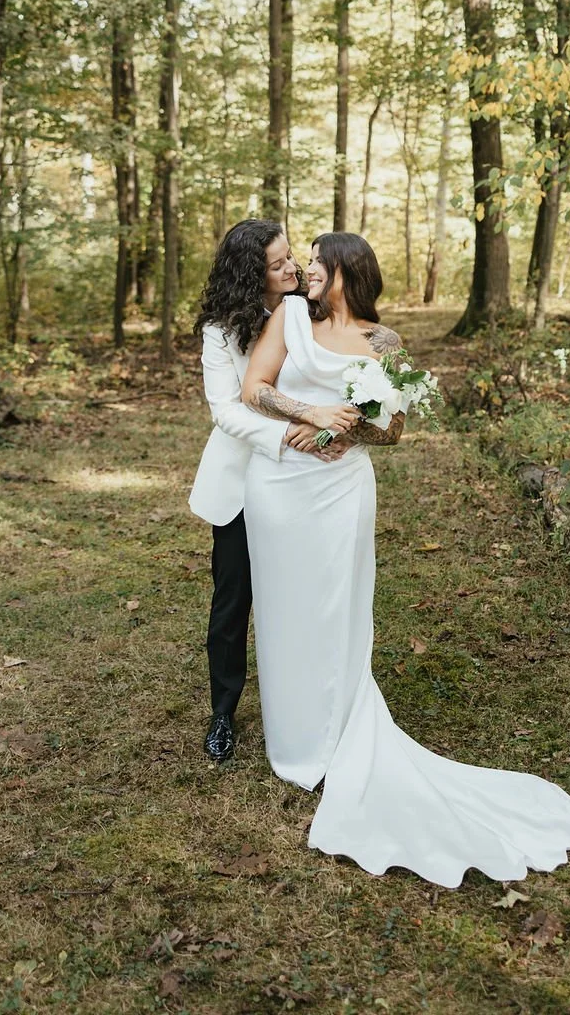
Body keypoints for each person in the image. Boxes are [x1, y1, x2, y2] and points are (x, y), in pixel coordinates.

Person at [241, 231, 570, 888]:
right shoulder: (288, 317)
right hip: (279, 485)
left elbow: (392, 430)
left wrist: (348, 431)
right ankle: (293, 742)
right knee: (284, 610)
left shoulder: (384, 343)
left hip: (341, 489)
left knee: (337, 608)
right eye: (307, 261)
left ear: (346, 271)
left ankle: (336, 732)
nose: (307, 270)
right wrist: (308, 413)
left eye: (318, 261)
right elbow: (254, 388)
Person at [189, 220, 355, 763]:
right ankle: (223, 711)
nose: (292, 268)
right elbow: (225, 410)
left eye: (291, 256)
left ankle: (309, 702)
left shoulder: (311, 309)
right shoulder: (220, 331)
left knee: (305, 592)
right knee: (233, 598)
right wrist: (292, 432)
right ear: (248, 273)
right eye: (277, 263)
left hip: (310, 482)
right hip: (244, 479)